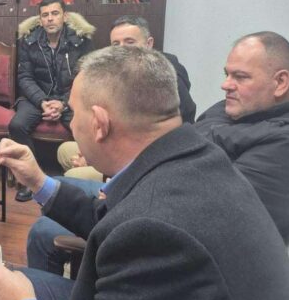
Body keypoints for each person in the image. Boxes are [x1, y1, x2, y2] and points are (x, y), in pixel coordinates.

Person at [0, 46, 289, 300]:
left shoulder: (153, 230)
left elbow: (136, 223)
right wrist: (38, 181)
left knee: (13, 298)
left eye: (74, 113)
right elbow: (111, 218)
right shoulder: (193, 155)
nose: (71, 123)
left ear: (99, 124)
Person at [58, 15, 196, 181]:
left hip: (152, 165)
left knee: (72, 176)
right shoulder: (120, 73)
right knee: (65, 150)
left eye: (130, 42)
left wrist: (94, 159)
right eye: (116, 45)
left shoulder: (161, 77)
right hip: (122, 144)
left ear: (149, 44)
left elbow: (144, 141)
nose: (122, 50)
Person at [195, 31, 289, 244]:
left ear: (280, 82)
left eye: (240, 77)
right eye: (227, 74)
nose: (225, 85)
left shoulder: (285, 144)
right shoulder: (232, 108)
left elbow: (210, 206)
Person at [10, 0, 94, 201]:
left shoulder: (80, 41)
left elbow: (86, 77)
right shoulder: (29, 41)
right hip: (37, 98)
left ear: (64, 16)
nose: (50, 19)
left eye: (55, 13)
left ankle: (80, 177)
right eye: (45, 15)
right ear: (40, 20)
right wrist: (42, 102)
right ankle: (30, 178)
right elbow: (24, 77)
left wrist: (63, 103)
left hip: (70, 98)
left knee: (87, 127)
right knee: (17, 125)